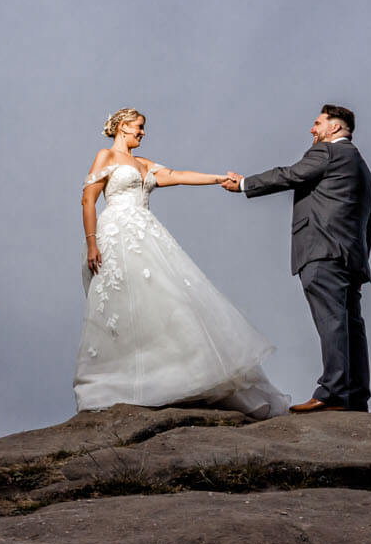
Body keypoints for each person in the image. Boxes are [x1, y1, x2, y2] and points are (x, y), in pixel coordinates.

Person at [73, 109, 290, 416]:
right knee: (123, 305)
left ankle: (172, 378)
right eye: (139, 127)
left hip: (146, 233)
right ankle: (124, 381)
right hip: (116, 234)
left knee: (166, 301)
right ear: (122, 127)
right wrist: (92, 242)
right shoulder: (105, 157)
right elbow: (88, 199)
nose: (143, 133)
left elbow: (177, 176)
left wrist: (218, 178)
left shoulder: (144, 164)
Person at [221, 104, 371, 413]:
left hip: (321, 251)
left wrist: (243, 184)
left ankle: (331, 393)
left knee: (331, 322)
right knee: (350, 325)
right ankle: (355, 395)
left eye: (318, 123)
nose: (312, 129)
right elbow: (368, 223)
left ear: (333, 128)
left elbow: (289, 175)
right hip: (351, 258)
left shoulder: (327, 153)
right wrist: (360, 265)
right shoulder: (363, 168)